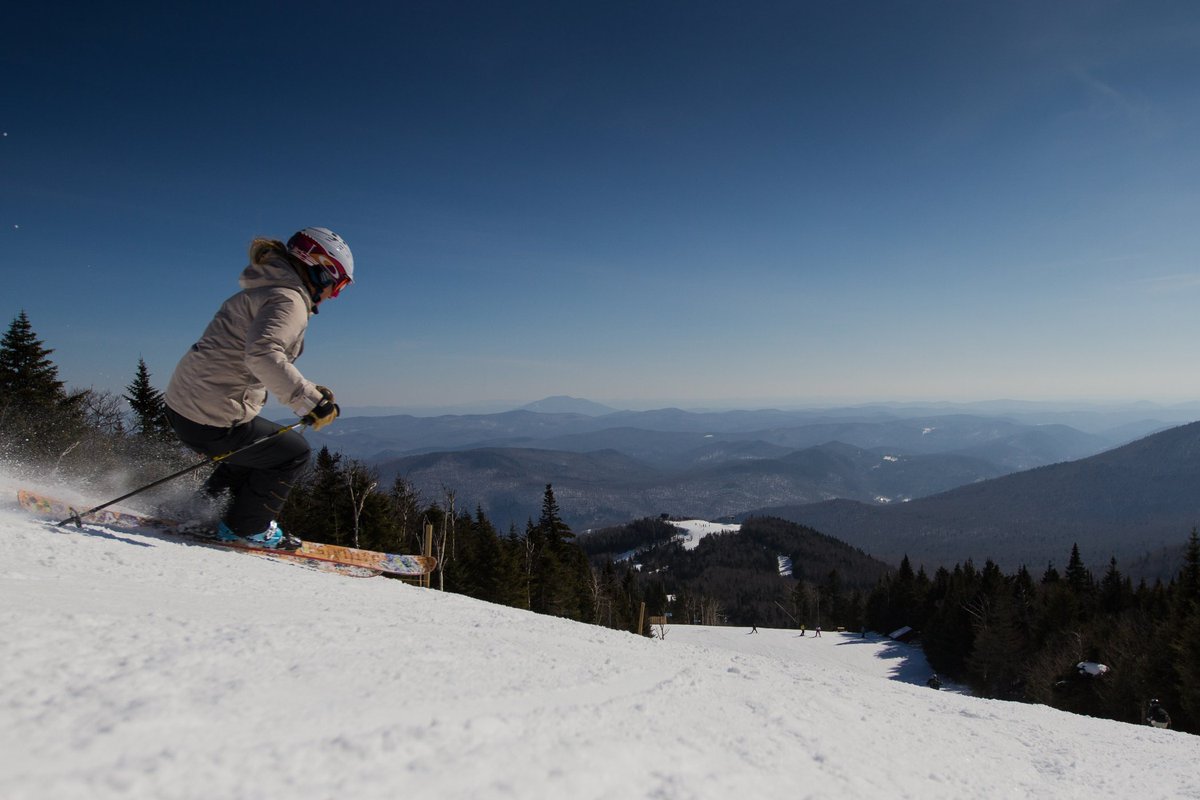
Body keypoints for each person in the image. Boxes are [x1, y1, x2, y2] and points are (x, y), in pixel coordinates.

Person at [164, 227, 353, 549]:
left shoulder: (266, 290)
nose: (334, 295)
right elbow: (262, 354)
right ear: (321, 271)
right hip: (210, 411)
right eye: (338, 285)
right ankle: (246, 528)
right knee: (292, 454)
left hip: (188, 404)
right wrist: (308, 401)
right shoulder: (288, 299)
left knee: (253, 447)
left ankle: (199, 511)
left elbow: (247, 354)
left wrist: (310, 391)